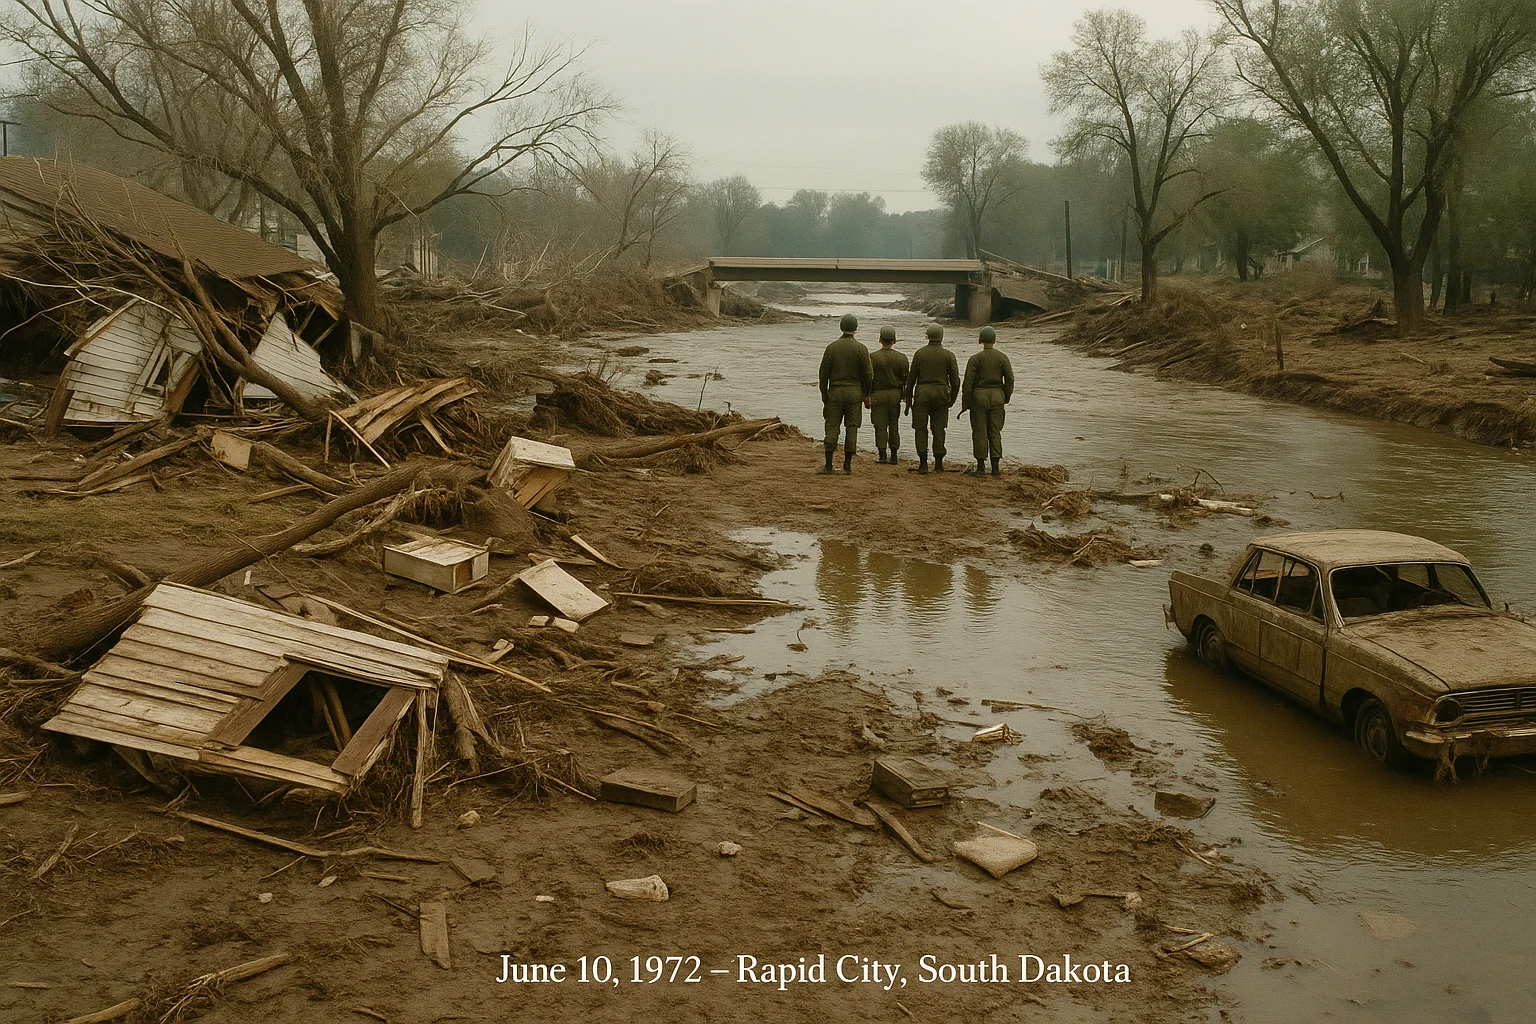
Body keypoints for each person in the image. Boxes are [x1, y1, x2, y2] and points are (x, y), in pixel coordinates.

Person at [817, 312, 873, 474]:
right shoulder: (862, 349)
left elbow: (823, 374)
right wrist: (866, 394)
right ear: (856, 328)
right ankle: (847, 465)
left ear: (841, 327)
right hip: (855, 393)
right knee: (852, 427)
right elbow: (869, 375)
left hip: (835, 392)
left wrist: (824, 394)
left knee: (832, 426)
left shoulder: (831, 348)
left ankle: (828, 465)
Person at [902, 323, 960, 474]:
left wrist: (908, 399)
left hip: (922, 393)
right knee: (939, 428)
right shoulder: (949, 355)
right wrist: (952, 399)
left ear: (927, 336)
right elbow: (955, 381)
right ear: (942, 337)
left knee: (920, 428)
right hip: (941, 393)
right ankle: (939, 463)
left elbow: (911, 379)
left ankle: (923, 464)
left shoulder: (919, 354)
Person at [960, 325, 1014, 477]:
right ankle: (996, 468)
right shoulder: (1003, 357)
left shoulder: (975, 359)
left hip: (979, 397)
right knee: (995, 431)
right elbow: (1010, 380)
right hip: (997, 397)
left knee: (979, 431)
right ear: (995, 340)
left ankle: (981, 467)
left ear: (980, 340)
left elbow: (967, 383)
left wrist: (966, 403)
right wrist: (1006, 397)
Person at [869, 326, 909, 464]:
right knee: (894, 425)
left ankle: (882, 456)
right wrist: (904, 396)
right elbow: (905, 380)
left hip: (878, 394)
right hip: (895, 395)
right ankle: (894, 456)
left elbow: (868, 378)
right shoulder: (902, 358)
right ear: (894, 341)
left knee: (880, 426)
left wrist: (867, 396)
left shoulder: (872, 357)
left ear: (880, 340)